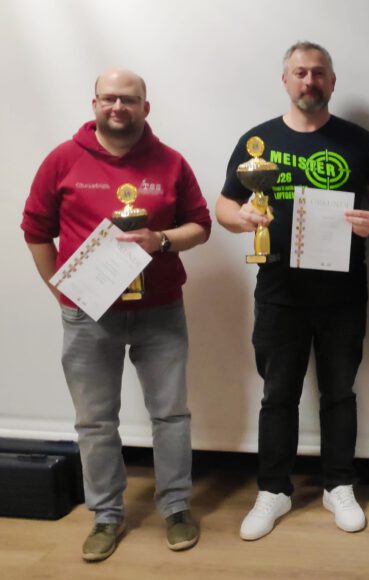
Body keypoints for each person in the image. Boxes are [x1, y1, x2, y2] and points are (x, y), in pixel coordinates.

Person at [22, 69, 211, 561]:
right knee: (95, 421)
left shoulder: (171, 162)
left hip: (160, 310)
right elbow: (35, 229)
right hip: (89, 316)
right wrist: (60, 290)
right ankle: (106, 515)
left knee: (171, 414)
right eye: (109, 99)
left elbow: (200, 225)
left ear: (146, 107)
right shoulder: (63, 160)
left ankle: (176, 508)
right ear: (95, 105)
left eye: (129, 99)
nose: (118, 107)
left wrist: (161, 240)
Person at [216, 41, 369, 540]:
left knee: (339, 393)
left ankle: (339, 484)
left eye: (318, 73)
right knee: (278, 396)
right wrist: (242, 218)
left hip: (344, 291)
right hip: (279, 290)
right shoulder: (258, 142)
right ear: (285, 80)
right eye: (300, 72)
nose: (309, 81)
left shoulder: (359, 140)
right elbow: (223, 206)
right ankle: (273, 490)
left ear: (332, 82)